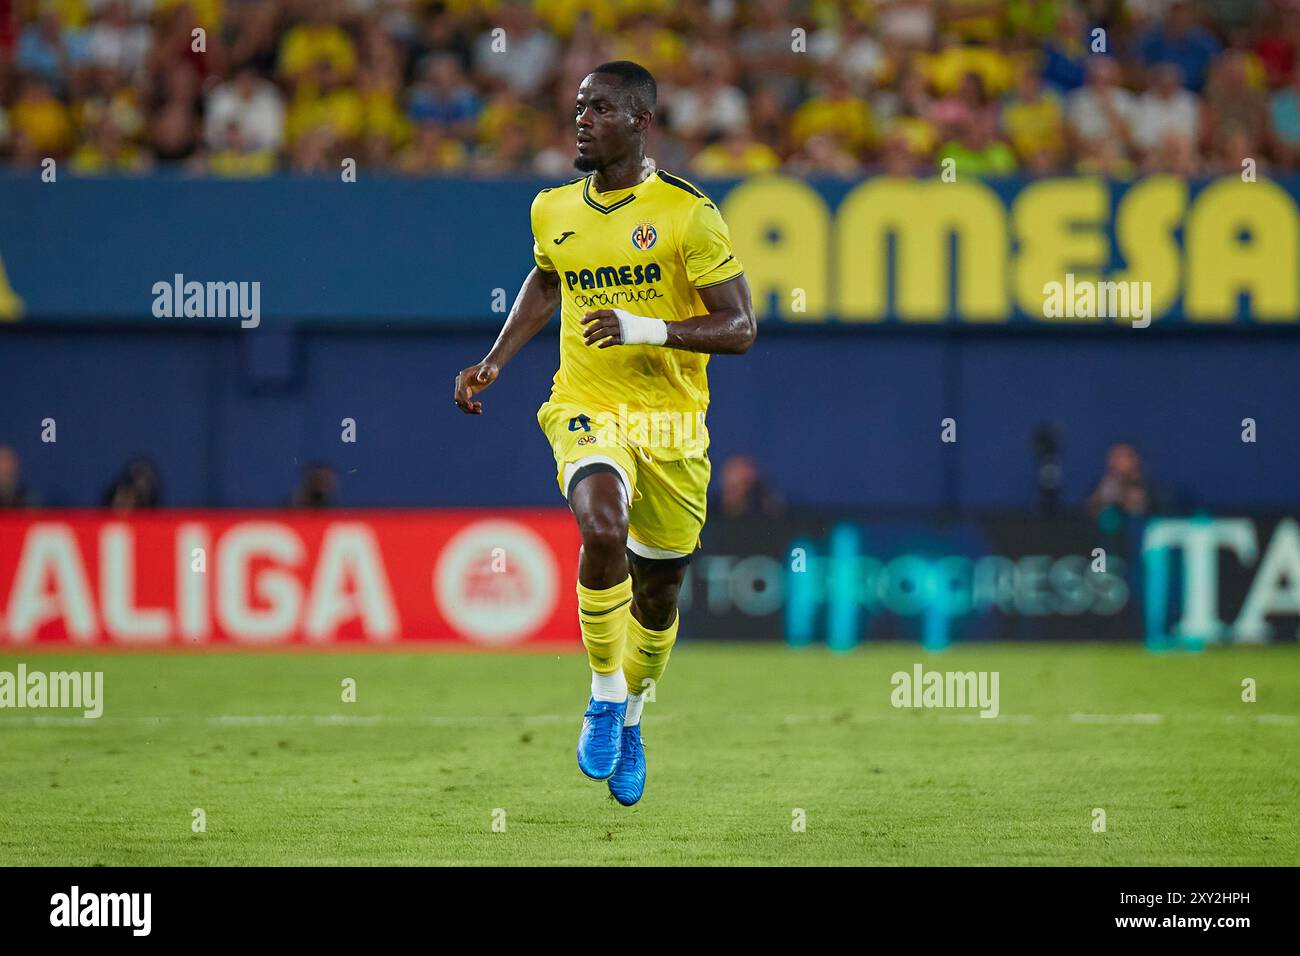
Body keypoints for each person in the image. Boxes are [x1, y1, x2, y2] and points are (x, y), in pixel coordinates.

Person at [453, 61, 755, 807]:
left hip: (674, 425)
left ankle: (635, 713)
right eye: (578, 106)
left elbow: (742, 327)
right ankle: (602, 695)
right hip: (587, 404)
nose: (581, 119)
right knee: (600, 524)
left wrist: (642, 327)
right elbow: (549, 278)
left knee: (657, 595)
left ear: (640, 122)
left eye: (600, 108)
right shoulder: (552, 207)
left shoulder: (689, 213)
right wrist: (495, 359)